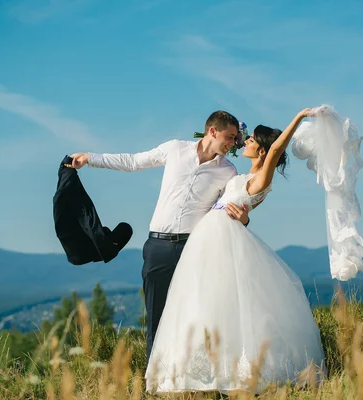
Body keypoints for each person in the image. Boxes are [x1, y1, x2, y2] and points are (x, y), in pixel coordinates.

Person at [144, 108, 327, 395]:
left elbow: (277, 148)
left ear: (264, 151)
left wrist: (301, 116)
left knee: (221, 304)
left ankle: (225, 372)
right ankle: (193, 369)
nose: (245, 141)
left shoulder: (262, 178)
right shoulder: (240, 174)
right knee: (201, 304)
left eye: (251, 139)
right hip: (206, 237)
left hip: (220, 240)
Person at [65, 110, 251, 363]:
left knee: (196, 313)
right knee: (156, 314)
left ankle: (193, 375)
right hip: (158, 246)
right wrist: (91, 158)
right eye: (229, 138)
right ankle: (154, 377)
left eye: (235, 139)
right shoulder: (175, 149)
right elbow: (133, 162)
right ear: (212, 131)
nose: (232, 144)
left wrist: (244, 220)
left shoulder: (228, 172)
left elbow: (229, 209)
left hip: (195, 248)